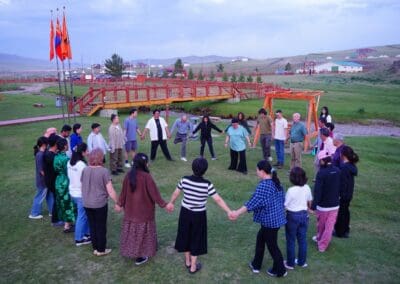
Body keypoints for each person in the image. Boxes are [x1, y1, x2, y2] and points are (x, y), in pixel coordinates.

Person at [166, 158, 232, 274]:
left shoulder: (184, 180)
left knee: (185, 235)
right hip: (199, 215)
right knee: (196, 238)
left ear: (192, 167)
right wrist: (228, 211)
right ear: (205, 170)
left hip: (185, 212)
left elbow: (176, 192)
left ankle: (187, 261)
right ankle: (193, 267)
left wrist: (171, 202)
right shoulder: (207, 185)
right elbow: (217, 199)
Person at [230, 160, 287, 277]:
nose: (256, 172)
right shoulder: (276, 183)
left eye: (257, 170)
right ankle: (256, 265)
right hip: (276, 219)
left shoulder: (264, 186)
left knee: (272, 246)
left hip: (270, 222)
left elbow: (252, 203)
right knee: (261, 239)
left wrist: (236, 213)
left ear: (262, 171)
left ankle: (280, 270)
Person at [117, 153, 169, 266]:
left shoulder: (129, 175)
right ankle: (141, 255)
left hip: (131, 212)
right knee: (142, 234)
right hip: (144, 213)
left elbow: (123, 193)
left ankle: (134, 251)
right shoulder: (146, 177)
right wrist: (164, 205)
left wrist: (119, 204)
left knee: (134, 232)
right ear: (145, 164)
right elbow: (155, 194)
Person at [81, 149, 120, 257]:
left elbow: (82, 185)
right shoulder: (104, 171)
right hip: (99, 204)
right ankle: (101, 249)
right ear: (101, 158)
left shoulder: (85, 170)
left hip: (87, 203)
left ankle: (95, 248)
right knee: (100, 227)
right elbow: (110, 190)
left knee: (92, 226)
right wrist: (118, 202)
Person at [311, 148, 340, 252]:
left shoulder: (321, 173)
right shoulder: (337, 170)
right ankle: (321, 242)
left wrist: (313, 206)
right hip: (335, 204)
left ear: (322, 160)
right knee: (329, 226)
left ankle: (321, 244)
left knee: (322, 225)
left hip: (323, 206)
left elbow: (318, 191)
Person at [284, 167, 313, 270]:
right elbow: (310, 201)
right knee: (302, 240)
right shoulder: (307, 187)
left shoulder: (291, 190)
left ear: (293, 178)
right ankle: (302, 262)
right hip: (304, 216)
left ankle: (290, 263)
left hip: (292, 216)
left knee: (291, 240)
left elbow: (285, 205)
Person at [67, 143, 91, 246]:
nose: (88, 152)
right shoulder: (81, 165)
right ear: (82, 152)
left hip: (72, 192)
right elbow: (86, 181)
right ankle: (79, 239)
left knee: (83, 215)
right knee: (82, 216)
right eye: (87, 150)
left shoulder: (69, 162)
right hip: (80, 194)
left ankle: (86, 234)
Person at [334, 146, 359, 238]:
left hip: (344, 194)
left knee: (341, 213)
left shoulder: (344, 168)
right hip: (349, 193)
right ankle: (345, 230)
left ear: (343, 155)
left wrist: (340, 194)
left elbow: (343, 183)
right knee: (345, 211)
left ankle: (340, 232)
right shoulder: (351, 166)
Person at [54, 138, 75, 233]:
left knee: (61, 202)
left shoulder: (56, 157)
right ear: (65, 146)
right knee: (68, 202)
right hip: (66, 181)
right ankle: (67, 224)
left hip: (58, 181)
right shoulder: (66, 159)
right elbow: (69, 172)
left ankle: (67, 222)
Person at [29, 136, 54, 219]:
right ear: (43, 144)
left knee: (50, 195)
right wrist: (48, 178)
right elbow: (41, 170)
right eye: (47, 144)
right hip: (43, 181)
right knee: (40, 196)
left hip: (45, 180)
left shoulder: (43, 153)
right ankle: (34, 213)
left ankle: (52, 211)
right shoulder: (40, 155)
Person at [43, 134, 62, 226]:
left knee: (57, 199)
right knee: (57, 199)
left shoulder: (51, 153)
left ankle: (58, 218)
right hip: (53, 182)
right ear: (55, 144)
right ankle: (55, 220)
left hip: (53, 181)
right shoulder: (50, 156)